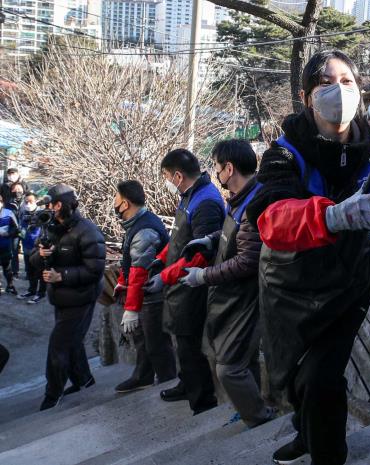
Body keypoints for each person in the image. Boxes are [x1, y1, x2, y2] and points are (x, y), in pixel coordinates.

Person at [245, 50, 370, 465]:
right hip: (288, 281)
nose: (339, 90)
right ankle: (305, 434)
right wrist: (332, 215)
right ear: (306, 96)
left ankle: (329, 454)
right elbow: (272, 220)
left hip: (349, 280)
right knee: (291, 371)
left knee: (322, 377)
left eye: (347, 81)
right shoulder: (284, 152)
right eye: (326, 83)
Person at [180, 139, 276, 428]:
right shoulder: (240, 198)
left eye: (217, 167)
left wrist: (203, 276)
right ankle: (255, 405)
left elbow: (248, 260)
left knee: (228, 369)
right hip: (233, 296)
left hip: (246, 296)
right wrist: (209, 240)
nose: (216, 172)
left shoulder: (254, 203)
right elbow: (235, 239)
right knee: (242, 361)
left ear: (229, 168)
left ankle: (258, 418)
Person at [142, 149, 225, 415]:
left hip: (192, 285)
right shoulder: (188, 196)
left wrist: (163, 277)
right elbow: (180, 238)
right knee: (181, 340)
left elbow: (199, 255)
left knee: (189, 343)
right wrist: (160, 259)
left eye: (167, 176)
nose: (166, 181)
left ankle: (201, 399)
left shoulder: (206, 202)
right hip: (177, 279)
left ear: (178, 175)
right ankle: (186, 383)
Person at [30, 184, 106, 410]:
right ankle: (84, 380)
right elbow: (34, 261)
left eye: (51, 205)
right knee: (72, 342)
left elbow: (95, 271)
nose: (49, 210)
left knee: (58, 346)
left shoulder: (88, 232)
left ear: (60, 205)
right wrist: (40, 255)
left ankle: (52, 394)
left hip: (81, 298)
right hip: (60, 298)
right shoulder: (51, 229)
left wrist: (61, 276)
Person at [112, 180, 176, 393]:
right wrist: (122, 283)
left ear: (125, 203)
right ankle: (143, 375)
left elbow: (140, 271)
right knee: (144, 340)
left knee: (157, 343)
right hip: (146, 292)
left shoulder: (144, 230)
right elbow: (129, 263)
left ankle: (169, 381)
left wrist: (131, 308)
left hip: (153, 294)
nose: (114, 202)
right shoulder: (136, 225)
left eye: (116, 198)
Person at [17, 192, 46, 304]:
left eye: (31, 201)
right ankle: (31, 290)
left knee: (40, 272)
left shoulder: (42, 214)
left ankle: (41, 293)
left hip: (38, 249)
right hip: (26, 246)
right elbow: (21, 229)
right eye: (26, 201)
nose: (28, 203)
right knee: (30, 271)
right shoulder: (23, 212)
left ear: (36, 201)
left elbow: (47, 231)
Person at [0, 196, 18, 295]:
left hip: (4, 245)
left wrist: (7, 233)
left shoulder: (8, 213)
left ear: (2, 203)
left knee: (7, 267)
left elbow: (16, 229)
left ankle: (10, 286)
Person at [8, 182, 25, 278]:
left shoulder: (27, 201)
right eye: (15, 189)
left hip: (25, 230)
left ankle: (30, 272)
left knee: (28, 251)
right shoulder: (9, 203)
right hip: (14, 230)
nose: (18, 191)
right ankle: (15, 271)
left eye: (19, 189)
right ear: (11, 191)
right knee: (14, 251)